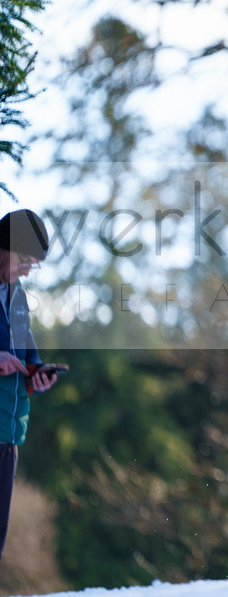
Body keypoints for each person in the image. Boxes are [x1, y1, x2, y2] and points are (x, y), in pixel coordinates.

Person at [1, 209, 61, 560]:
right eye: (24, 260)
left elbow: (27, 352)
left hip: (9, 431)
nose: (26, 269)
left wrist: (37, 375)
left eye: (32, 264)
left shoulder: (18, 295)